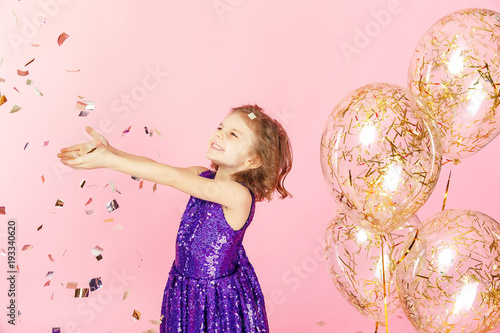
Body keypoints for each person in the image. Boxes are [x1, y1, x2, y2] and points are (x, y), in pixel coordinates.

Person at [58, 104, 293, 332]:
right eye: (220, 127)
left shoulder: (237, 195)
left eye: (233, 134)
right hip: (184, 288)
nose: (219, 134)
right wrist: (111, 152)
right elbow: (157, 167)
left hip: (215, 298)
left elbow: (171, 178)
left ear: (252, 161)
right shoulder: (201, 175)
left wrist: (108, 162)